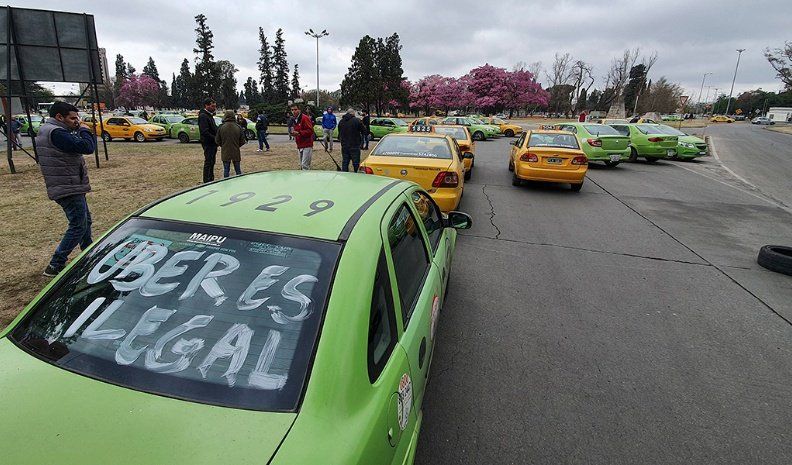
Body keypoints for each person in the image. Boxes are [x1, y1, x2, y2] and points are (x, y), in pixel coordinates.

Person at [36, 101, 97, 277]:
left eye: (77, 118)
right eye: (72, 118)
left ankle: (89, 253)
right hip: (67, 185)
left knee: (85, 222)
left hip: (68, 183)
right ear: (59, 117)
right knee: (78, 225)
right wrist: (84, 130)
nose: (76, 121)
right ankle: (56, 264)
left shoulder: (48, 130)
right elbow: (87, 147)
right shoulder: (57, 133)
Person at [215, 110, 246, 178]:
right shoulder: (238, 127)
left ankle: (226, 182)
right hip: (236, 150)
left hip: (225, 151)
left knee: (226, 170)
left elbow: (217, 140)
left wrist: (223, 145)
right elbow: (242, 141)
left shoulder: (221, 127)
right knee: (238, 170)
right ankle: (240, 181)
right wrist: (237, 145)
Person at [198, 98, 218, 183]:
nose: (214, 108)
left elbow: (213, 128)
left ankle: (211, 179)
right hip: (208, 143)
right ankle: (206, 181)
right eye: (212, 106)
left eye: (215, 106)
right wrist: (215, 138)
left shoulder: (209, 115)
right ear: (206, 105)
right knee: (208, 162)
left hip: (213, 143)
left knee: (212, 161)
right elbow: (204, 132)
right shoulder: (203, 116)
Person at [338, 108, 364, 173]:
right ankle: (356, 175)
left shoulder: (341, 121)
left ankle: (345, 174)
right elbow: (364, 130)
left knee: (345, 162)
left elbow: (339, 133)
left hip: (344, 145)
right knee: (356, 163)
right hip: (355, 144)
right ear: (353, 113)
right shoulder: (357, 120)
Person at [290, 103, 314, 170]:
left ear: (299, 110)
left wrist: (299, 133)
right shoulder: (295, 119)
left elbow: (310, 131)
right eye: (292, 110)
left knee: (305, 165)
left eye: (295, 109)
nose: (294, 111)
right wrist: (293, 133)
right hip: (299, 144)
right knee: (301, 165)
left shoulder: (304, 118)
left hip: (307, 145)